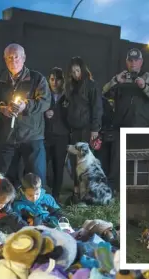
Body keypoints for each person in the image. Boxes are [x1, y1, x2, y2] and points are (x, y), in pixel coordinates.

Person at [0, 43, 51, 186]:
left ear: (24, 58)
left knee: (37, 178)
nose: (13, 61)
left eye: (16, 57)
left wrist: (26, 106)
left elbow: (45, 102)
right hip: (7, 138)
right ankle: (8, 206)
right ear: (4, 59)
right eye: (9, 58)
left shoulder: (37, 79)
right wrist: (1, 109)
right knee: (7, 180)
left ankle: (38, 206)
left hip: (32, 137)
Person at [102, 48, 149, 192]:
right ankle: (112, 192)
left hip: (142, 127)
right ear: (127, 62)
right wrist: (116, 81)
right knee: (116, 161)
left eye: (136, 60)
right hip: (120, 127)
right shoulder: (121, 77)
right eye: (130, 60)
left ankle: (131, 188)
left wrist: (144, 87)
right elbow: (103, 92)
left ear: (141, 62)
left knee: (138, 159)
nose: (133, 63)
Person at [65, 57, 103, 201]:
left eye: (77, 70)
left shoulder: (91, 85)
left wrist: (95, 129)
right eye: (73, 71)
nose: (75, 74)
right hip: (74, 129)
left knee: (86, 163)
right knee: (75, 161)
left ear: (83, 69)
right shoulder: (71, 87)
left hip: (87, 130)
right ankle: (76, 192)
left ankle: (88, 193)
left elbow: (97, 108)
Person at [44, 67, 70, 200]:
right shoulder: (44, 94)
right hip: (46, 136)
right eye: (52, 79)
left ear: (62, 81)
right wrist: (44, 114)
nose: (54, 82)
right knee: (42, 167)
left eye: (57, 79)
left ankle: (56, 197)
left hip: (62, 136)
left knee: (58, 167)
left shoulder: (68, 96)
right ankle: (42, 195)